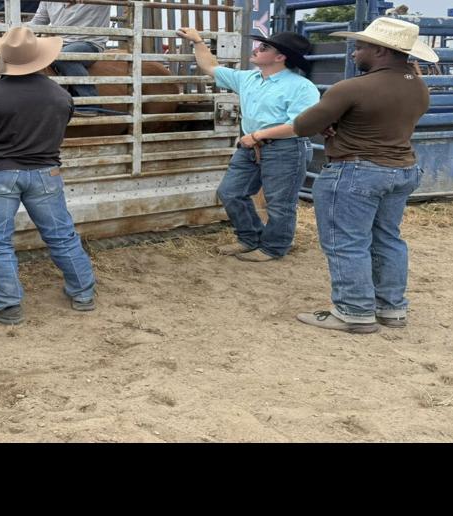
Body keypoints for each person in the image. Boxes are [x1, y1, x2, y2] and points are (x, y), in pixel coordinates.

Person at [290, 17, 435, 333]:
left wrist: (333, 124)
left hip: (355, 171)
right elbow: (381, 121)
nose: (354, 54)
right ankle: (391, 307)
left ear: (381, 51)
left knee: (346, 242)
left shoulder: (352, 88)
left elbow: (302, 125)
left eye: (360, 47)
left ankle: (353, 310)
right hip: (401, 168)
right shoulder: (418, 85)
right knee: (388, 239)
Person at [0, 25, 97, 325]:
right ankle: (83, 293)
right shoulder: (61, 96)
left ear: (1, 59)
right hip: (46, 172)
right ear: (39, 59)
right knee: (61, 234)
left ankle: (6, 305)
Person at [177, 26, 318, 262]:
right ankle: (250, 238)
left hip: (285, 148)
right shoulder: (249, 78)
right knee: (230, 192)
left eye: (264, 47)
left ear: (280, 57)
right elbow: (210, 67)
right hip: (251, 146)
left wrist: (257, 136)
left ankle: (274, 247)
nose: (256, 48)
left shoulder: (302, 87)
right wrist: (198, 42)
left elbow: (300, 125)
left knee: (280, 203)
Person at [28, 2, 111, 100]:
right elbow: (38, 21)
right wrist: (15, 28)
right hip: (59, 43)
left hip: (89, 42)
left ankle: (90, 101)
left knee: (62, 57)